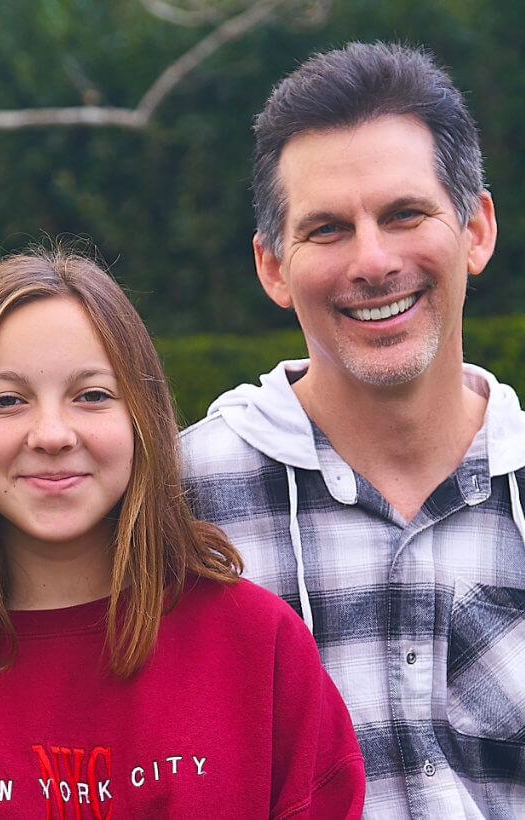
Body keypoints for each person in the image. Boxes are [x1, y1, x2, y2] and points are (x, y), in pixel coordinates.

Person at [181, 42, 525, 818]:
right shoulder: (175, 506)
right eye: (328, 229)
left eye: (405, 214)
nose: (372, 261)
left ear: (475, 229)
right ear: (272, 266)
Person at [0, 250, 365, 819]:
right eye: (6, 400)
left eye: (93, 395)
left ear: (143, 419)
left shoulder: (257, 647)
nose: (53, 434)